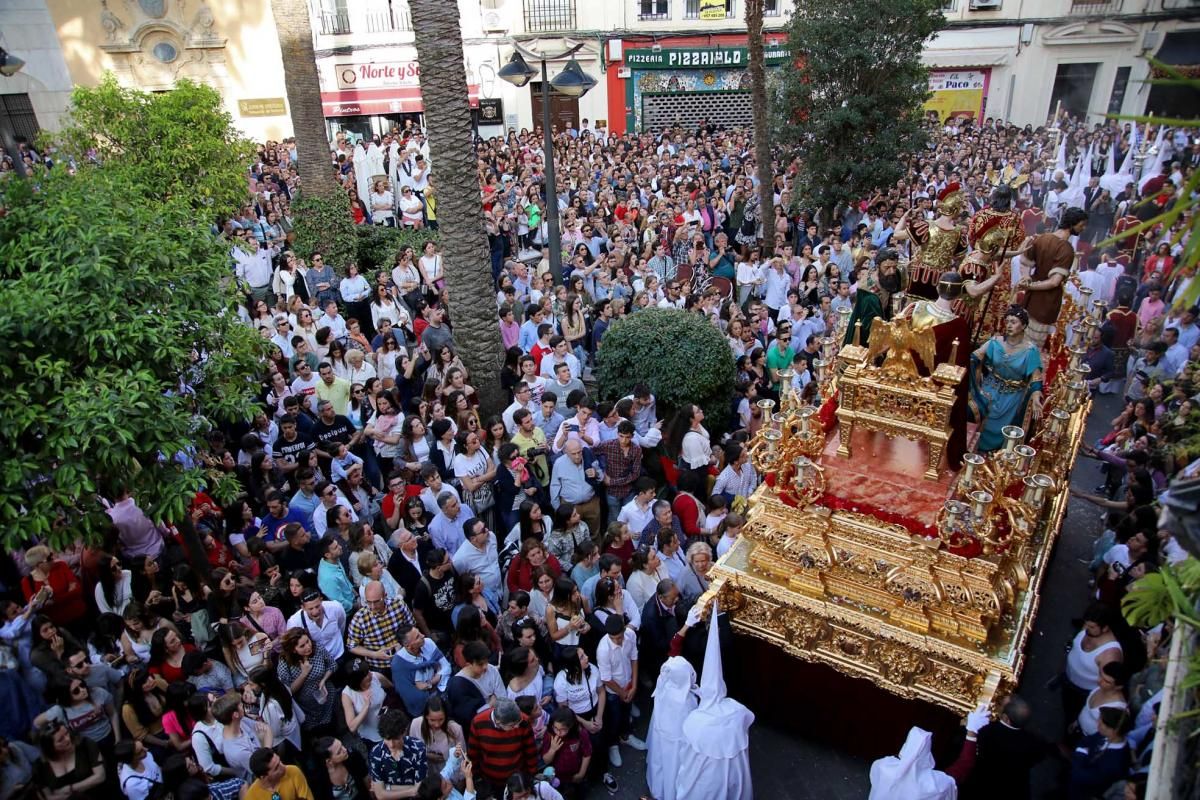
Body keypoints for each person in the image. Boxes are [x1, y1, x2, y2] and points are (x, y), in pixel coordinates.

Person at [674, 600, 753, 800]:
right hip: (732, 775)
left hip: (705, 780)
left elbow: (686, 753)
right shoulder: (736, 710)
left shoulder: (694, 721)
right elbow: (748, 719)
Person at [969, 306, 1043, 452]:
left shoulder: (1030, 351)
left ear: (1024, 326)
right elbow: (974, 357)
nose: (1009, 325)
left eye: (1014, 322)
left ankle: (995, 454)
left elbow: (1035, 379)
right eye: (1007, 321)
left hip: (1011, 397)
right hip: (989, 390)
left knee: (1001, 428)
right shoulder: (995, 342)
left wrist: (1035, 398)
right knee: (980, 418)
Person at [1018, 207, 1087, 347]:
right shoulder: (1066, 249)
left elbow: (1024, 262)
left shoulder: (1042, 238)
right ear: (1072, 224)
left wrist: (1027, 279)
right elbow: (1054, 282)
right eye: (1081, 225)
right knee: (1032, 346)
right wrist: (1029, 284)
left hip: (1030, 298)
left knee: (1021, 338)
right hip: (1046, 302)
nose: (1083, 229)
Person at [645, 655, 698, 800]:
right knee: (674, 767)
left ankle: (658, 787)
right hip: (677, 741)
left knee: (659, 761)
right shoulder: (685, 701)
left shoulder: (664, 683)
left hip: (662, 734)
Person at [466, 699, 537, 795]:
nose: (516, 727)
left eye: (518, 722)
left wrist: (531, 775)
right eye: (512, 725)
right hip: (490, 782)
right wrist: (477, 779)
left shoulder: (523, 721)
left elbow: (530, 751)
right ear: (498, 722)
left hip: (517, 781)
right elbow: (473, 754)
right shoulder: (478, 722)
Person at [368, 710, 429, 800]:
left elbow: (420, 789)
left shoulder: (418, 748)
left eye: (396, 739)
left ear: (404, 732)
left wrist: (387, 787)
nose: (391, 744)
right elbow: (380, 795)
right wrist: (412, 791)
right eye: (387, 739)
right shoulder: (376, 753)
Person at [246, 747, 315, 800]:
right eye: (276, 768)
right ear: (263, 777)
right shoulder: (252, 795)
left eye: (280, 761)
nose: (283, 766)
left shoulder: (293, 771)